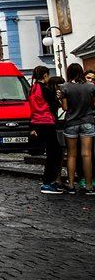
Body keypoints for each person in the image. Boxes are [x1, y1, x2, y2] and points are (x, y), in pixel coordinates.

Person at [60, 62, 95, 195]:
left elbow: (65, 108)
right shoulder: (91, 86)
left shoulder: (64, 87)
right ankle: (89, 185)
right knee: (87, 154)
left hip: (71, 123)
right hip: (87, 121)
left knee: (72, 155)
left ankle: (70, 184)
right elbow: (93, 104)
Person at [29, 65, 63, 194]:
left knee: (52, 151)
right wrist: (58, 98)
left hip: (37, 121)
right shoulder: (46, 89)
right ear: (44, 75)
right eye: (48, 75)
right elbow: (54, 105)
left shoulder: (32, 88)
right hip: (47, 121)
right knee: (55, 153)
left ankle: (49, 181)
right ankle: (48, 182)